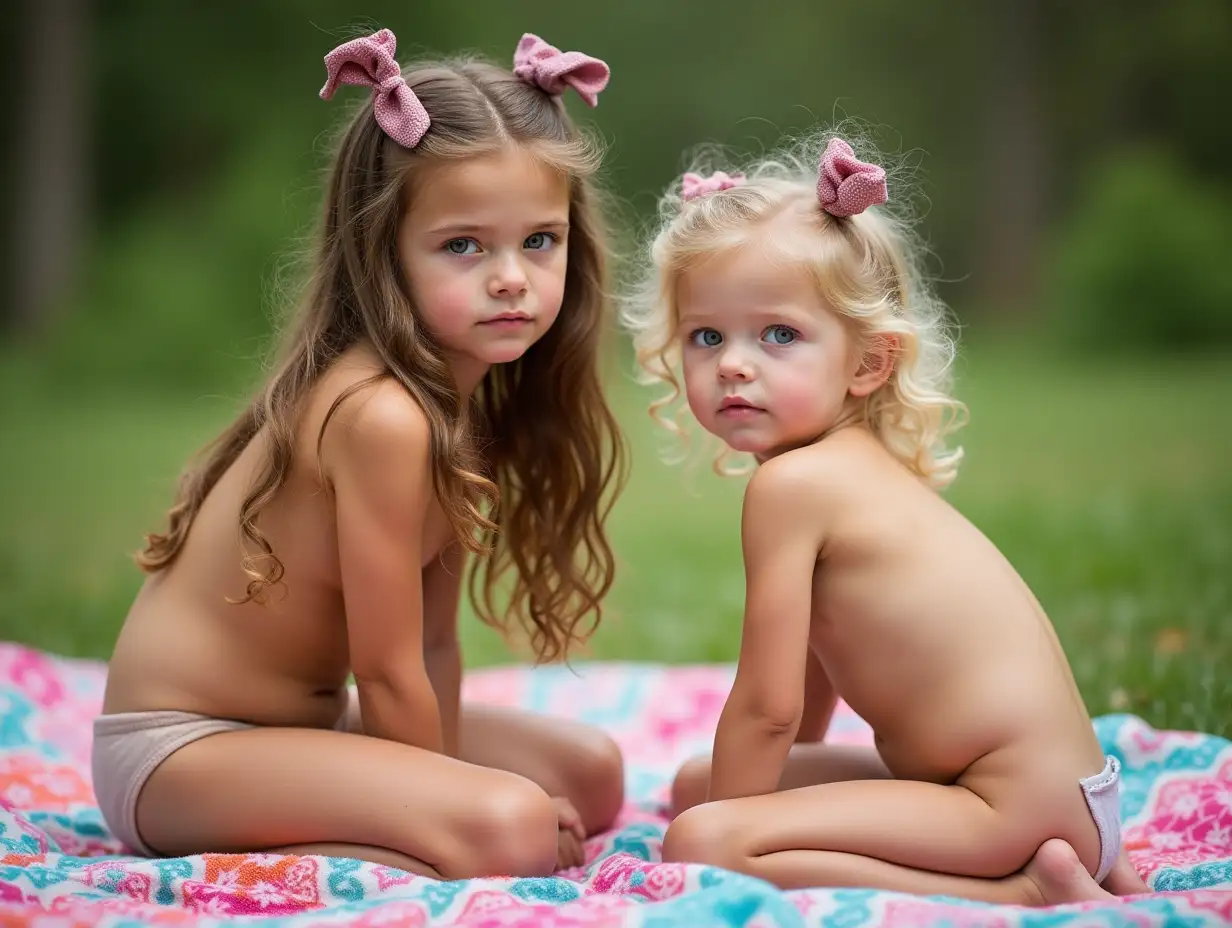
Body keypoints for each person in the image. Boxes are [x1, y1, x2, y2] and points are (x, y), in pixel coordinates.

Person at [91, 26, 629, 879]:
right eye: (464, 245)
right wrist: (456, 805)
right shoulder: (382, 416)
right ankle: (370, 848)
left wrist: (455, 793)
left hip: (300, 729)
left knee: (591, 773)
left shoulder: (462, 401)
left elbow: (432, 653)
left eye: (539, 241)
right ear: (385, 253)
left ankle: (441, 829)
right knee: (512, 827)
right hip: (181, 753)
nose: (512, 278)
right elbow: (384, 676)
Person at [620, 130, 1151, 904]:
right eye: (708, 336)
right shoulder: (855, 469)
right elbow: (806, 677)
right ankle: (1072, 863)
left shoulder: (792, 488)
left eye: (779, 335)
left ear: (868, 362)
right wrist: (766, 812)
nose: (733, 362)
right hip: (1056, 790)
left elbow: (767, 710)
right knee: (698, 788)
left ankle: (1030, 891)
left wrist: (736, 833)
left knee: (703, 835)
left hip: (1004, 805)